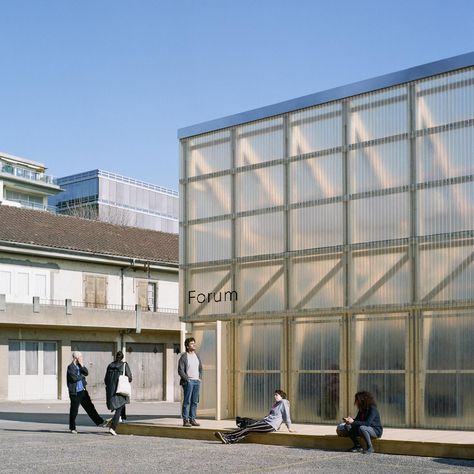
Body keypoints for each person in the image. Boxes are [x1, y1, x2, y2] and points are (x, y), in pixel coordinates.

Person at [214, 389, 296, 444]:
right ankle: (229, 439)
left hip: (270, 425)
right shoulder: (276, 404)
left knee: (248, 428)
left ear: (282, 396)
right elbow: (274, 416)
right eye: (274, 395)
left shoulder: (284, 402)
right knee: (248, 429)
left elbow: (286, 415)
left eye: (277, 395)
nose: (275, 396)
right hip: (266, 422)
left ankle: (227, 436)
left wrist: (289, 427)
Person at [67, 351, 108, 433]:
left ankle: (99, 421)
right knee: (74, 410)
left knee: (90, 407)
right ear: (76, 358)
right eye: (80, 357)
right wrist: (81, 377)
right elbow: (74, 378)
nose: (82, 358)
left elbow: (86, 373)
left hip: (82, 390)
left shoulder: (79, 366)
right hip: (75, 392)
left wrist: (82, 365)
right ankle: (72, 428)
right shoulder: (70, 367)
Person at [104, 350, 133, 436]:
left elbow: (106, 379)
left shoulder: (110, 365)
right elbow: (130, 378)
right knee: (119, 409)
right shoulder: (124, 365)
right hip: (120, 389)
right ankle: (113, 427)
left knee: (119, 405)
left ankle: (122, 418)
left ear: (116, 357)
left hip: (111, 390)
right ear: (122, 357)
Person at [178, 337, 202, 427]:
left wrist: (199, 378)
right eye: (192, 343)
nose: (194, 345)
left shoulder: (197, 355)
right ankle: (185, 420)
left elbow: (200, 368)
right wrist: (187, 379)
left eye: (194, 343)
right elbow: (180, 370)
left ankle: (192, 419)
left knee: (195, 401)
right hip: (189, 382)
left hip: (196, 381)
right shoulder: (184, 357)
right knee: (187, 401)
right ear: (187, 346)